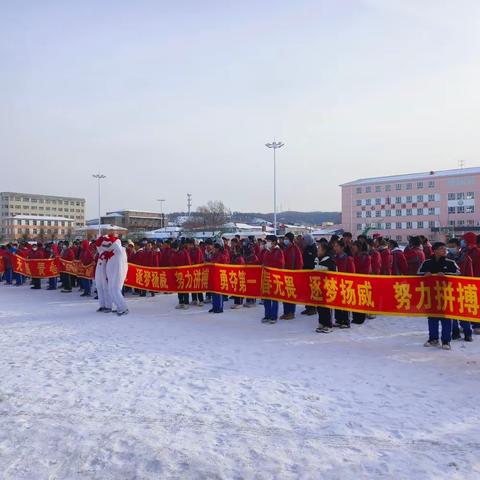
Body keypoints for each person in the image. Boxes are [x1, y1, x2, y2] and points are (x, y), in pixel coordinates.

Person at [418, 242, 460, 350]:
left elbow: (459, 275)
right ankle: (433, 339)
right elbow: (417, 275)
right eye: (441, 248)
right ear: (435, 250)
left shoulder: (451, 263)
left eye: (445, 248)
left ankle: (446, 341)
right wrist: (424, 275)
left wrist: (446, 275)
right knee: (432, 318)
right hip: (431, 295)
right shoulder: (427, 263)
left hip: (446, 295)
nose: (444, 250)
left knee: (446, 318)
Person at [447, 238, 473, 342]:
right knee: (452, 313)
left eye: (453, 246)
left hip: (462, 289)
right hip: (450, 289)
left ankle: (468, 333)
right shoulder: (447, 258)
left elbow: (470, 276)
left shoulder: (466, 259)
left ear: (459, 247)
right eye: (449, 246)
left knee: (463, 312)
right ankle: (455, 332)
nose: (451, 248)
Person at [262, 235, 285, 324]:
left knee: (274, 298)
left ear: (274, 242)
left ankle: (273, 316)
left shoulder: (278, 252)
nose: (267, 242)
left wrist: (269, 267)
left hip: (275, 277)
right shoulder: (267, 251)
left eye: (268, 241)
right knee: (266, 297)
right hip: (266, 277)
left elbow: (280, 264)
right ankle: (267, 315)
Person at [314, 242, 337, 333]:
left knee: (326, 307)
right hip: (318, 287)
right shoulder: (316, 260)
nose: (317, 250)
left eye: (319, 248)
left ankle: (328, 324)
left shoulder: (330, 261)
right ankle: (321, 322)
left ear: (324, 250)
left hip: (327, 287)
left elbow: (334, 275)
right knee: (319, 306)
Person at [280, 232, 303, 320]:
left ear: (290, 239)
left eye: (286, 238)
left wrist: (297, 274)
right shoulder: (285, 248)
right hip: (285, 274)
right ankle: (286, 312)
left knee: (291, 294)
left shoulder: (295, 249)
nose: (284, 240)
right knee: (285, 295)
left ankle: (291, 312)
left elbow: (299, 263)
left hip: (292, 275)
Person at [333, 239, 355, 328]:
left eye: (336, 246)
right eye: (334, 246)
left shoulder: (348, 259)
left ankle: (346, 321)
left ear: (342, 248)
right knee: (337, 302)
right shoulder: (335, 258)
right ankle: (338, 320)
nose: (335, 248)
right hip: (336, 283)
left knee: (345, 303)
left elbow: (352, 272)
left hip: (346, 284)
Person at [104, 236, 129, 316]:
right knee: (111, 290)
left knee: (116, 290)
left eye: (109, 245)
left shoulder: (119, 251)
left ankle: (124, 308)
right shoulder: (112, 253)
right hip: (112, 275)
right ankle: (119, 306)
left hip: (118, 275)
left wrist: (110, 238)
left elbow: (116, 243)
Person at [351, 240, 371, 324]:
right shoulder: (354, 256)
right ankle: (355, 317)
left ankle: (360, 318)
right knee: (354, 299)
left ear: (358, 247)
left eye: (354, 246)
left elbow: (366, 270)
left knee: (361, 299)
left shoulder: (365, 256)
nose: (352, 248)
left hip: (362, 280)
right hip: (355, 280)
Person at [301, 233, 318, 316]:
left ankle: (313, 308)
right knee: (306, 291)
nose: (303, 241)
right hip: (305, 272)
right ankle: (307, 307)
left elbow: (314, 261)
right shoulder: (306, 248)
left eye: (304, 239)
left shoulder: (314, 248)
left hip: (312, 273)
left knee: (312, 291)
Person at [170, 241, 191, 309]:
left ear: (177, 247)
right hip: (178, 274)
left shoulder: (184, 252)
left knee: (185, 289)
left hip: (184, 273)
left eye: (173, 248)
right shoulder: (174, 253)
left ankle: (186, 303)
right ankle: (181, 302)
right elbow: (173, 263)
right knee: (179, 288)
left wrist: (187, 272)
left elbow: (188, 262)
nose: (173, 250)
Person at [208, 243, 227, 313]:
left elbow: (224, 266)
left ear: (217, 249)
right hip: (213, 276)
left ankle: (220, 307)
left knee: (219, 292)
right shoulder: (213, 255)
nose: (213, 249)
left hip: (219, 276)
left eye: (214, 248)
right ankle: (214, 306)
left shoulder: (222, 256)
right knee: (213, 292)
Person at [186, 238, 205, 306]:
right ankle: (194, 299)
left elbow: (199, 260)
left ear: (193, 244)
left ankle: (201, 300)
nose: (189, 246)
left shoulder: (197, 250)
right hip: (191, 269)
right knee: (192, 285)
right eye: (188, 245)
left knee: (198, 285)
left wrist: (194, 264)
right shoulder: (189, 250)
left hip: (198, 270)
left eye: (190, 244)